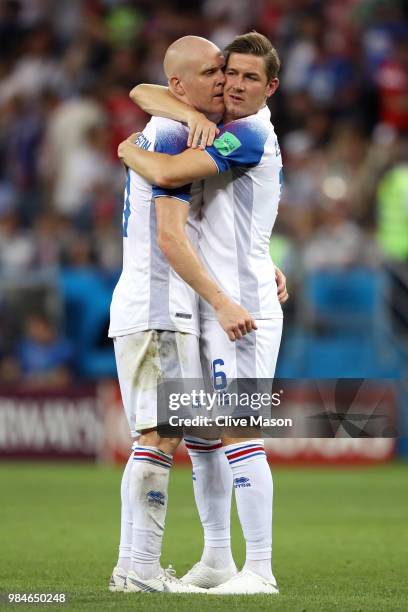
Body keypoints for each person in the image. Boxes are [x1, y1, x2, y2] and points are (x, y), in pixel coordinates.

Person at [108, 34, 280, 595]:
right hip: (177, 304)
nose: (229, 83)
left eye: (246, 77)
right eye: (221, 72)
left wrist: (129, 150)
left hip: (229, 307)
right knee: (182, 436)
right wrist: (155, 130)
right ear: (184, 85)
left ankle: (257, 569)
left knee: (224, 431)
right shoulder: (182, 125)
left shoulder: (245, 131)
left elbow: (168, 171)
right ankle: (173, 564)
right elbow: (144, 94)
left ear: (270, 88)